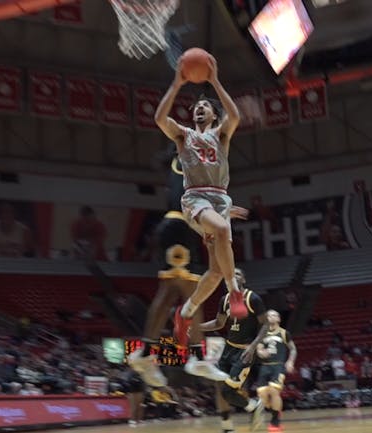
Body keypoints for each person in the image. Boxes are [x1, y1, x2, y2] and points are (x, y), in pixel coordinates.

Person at [154, 53, 248, 349]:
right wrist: (176, 83)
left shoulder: (222, 135)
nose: (198, 109)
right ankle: (235, 294)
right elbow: (159, 118)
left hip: (219, 200)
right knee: (221, 230)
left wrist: (215, 80)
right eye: (195, 107)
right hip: (195, 199)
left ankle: (185, 314)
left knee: (216, 270)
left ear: (213, 116)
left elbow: (235, 117)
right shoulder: (184, 136)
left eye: (204, 106)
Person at [128, 146, 236, 387]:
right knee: (190, 292)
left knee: (171, 293)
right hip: (178, 225)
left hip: (182, 229)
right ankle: (194, 357)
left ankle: (146, 353)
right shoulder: (185, 158)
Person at [194, 268, 267, 433]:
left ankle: (254, 406)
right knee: (220, 386)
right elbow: (219, 323)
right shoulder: (224, 299)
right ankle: (227, 427)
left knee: (228, 391)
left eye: (238, 274)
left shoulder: (252, 298)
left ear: (244, 279)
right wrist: (197, 328)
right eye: (230, 274)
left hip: (244, 351)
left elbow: (265, 325)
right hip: (228, 349)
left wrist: (254, 347)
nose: (233, 276)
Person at [255, 310, 297, 433]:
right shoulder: (262, 333)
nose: (271, 317)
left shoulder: (284, 333)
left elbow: (293, 349)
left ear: (278, 319)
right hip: (265, 366)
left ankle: (275, 422)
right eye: (268, 315)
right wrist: (261, 353)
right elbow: (259, 349)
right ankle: (276, 411)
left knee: (274, 391)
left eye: (274, 315)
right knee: (263, 396)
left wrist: (290, 361)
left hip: (278, 366)